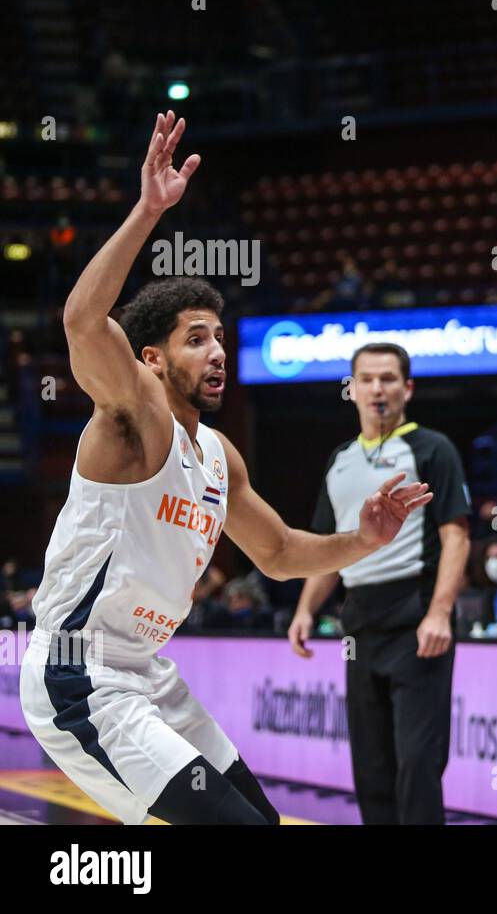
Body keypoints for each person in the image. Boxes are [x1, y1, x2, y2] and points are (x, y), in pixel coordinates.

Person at [19, 112, 432, 826]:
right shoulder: (131, 417)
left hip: (146, 675)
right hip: (80, 674)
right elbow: (84, 322)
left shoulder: (217, 454)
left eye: (221, 339)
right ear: (150, 360)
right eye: (195, 339)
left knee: (261, 822)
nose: (217, 353)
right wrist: (150, 210)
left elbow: (275, 554)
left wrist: (361, 540)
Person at [288, 342, 471, 825]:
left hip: (416, 621)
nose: (377, 388)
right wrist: (306, 609)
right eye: (366, 379)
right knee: (371, 769)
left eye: (388, 378)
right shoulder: (339, 460)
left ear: (407, 388)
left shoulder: (433, 448)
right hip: (359, 625)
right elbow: (329, 549)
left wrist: (439, 612)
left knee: (417, 764)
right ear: (351, 390)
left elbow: (457, 537)